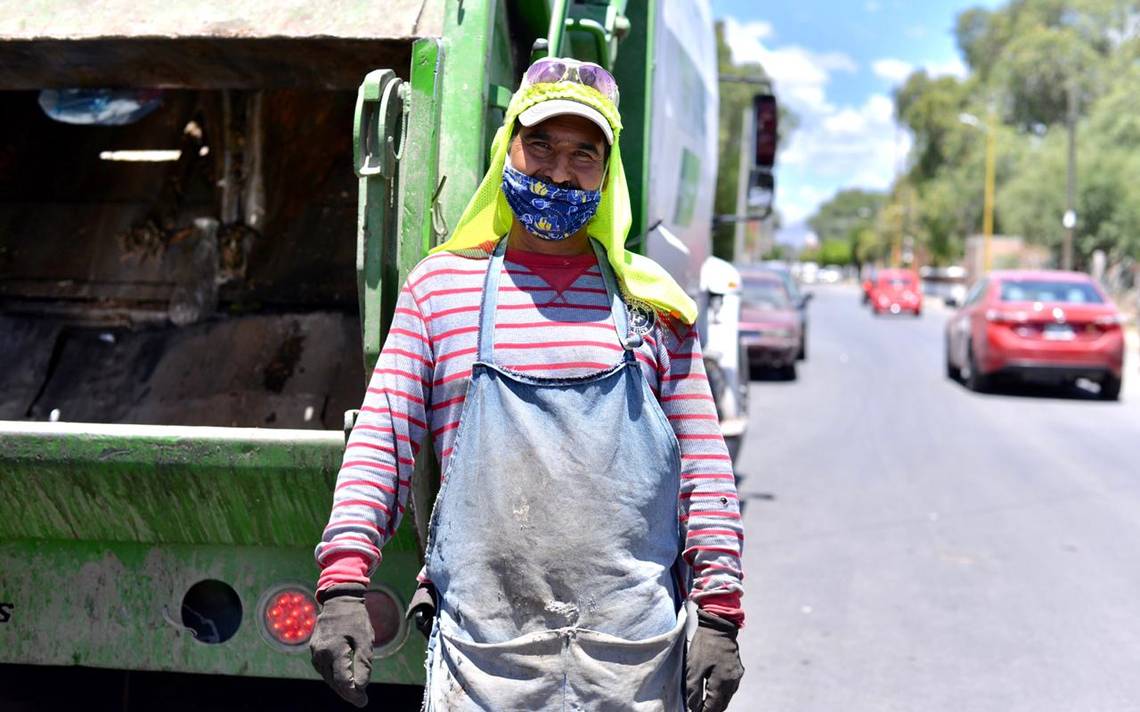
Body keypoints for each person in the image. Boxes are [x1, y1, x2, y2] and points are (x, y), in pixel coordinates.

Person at [309, 57, 745, 712]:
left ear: (607, 170)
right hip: (483, 661)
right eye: (539, 144)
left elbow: (704, 474)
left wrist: (719, 612)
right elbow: (381, 448)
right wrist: (343, 585)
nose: (558, 170)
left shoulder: (653, 310)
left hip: (633, 662)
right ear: (506, 147)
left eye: (583, 154)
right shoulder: (441, 292)